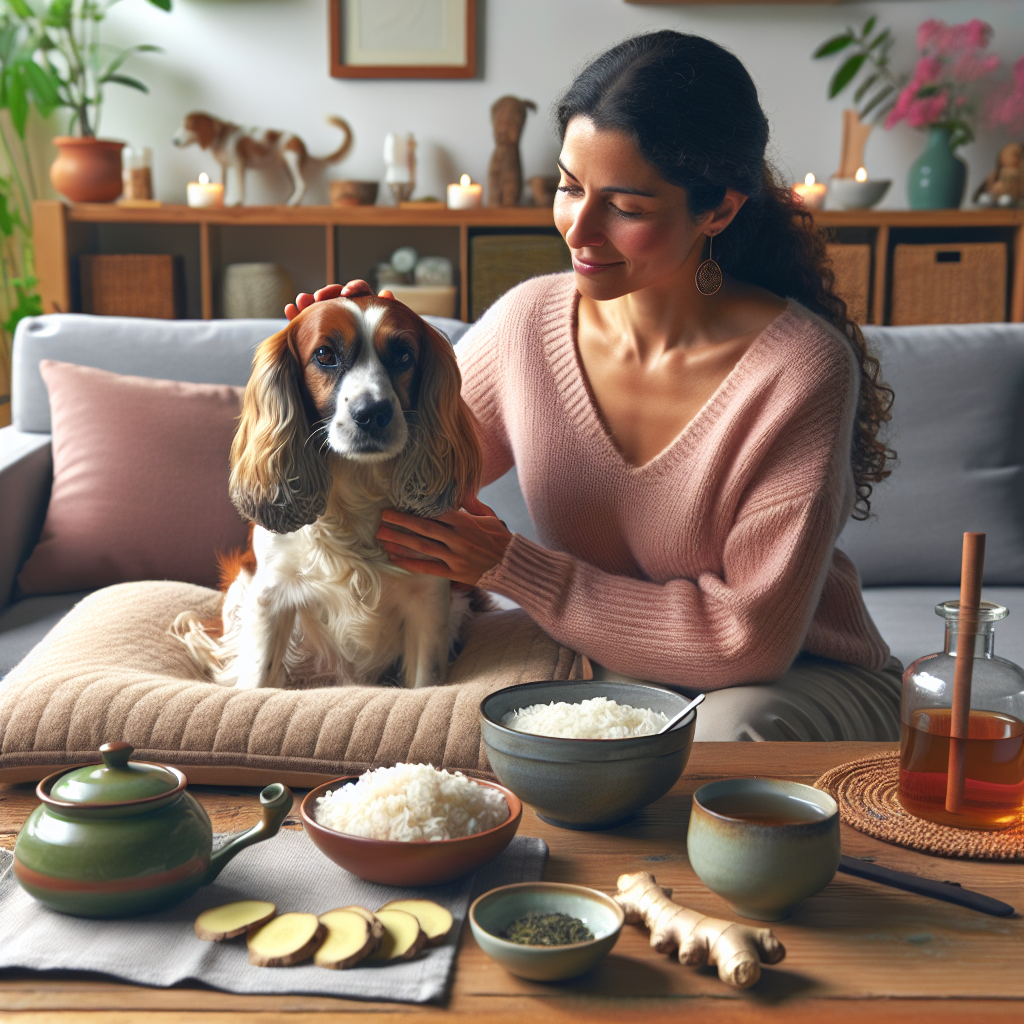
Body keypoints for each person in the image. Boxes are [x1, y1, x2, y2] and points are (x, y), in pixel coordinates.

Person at [286, 31, 902, 741]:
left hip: (793, 678)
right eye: (569, 187)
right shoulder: (528, 321)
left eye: (627, 207)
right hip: (613, 660)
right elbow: (409, 482)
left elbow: (749, 641)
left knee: (717, 737)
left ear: (720, 210)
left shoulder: (799, 369)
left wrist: (516, 568)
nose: (579, 229)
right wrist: (350, 365)